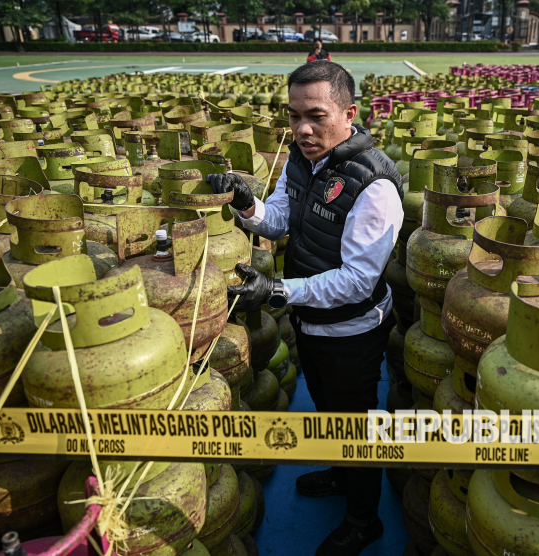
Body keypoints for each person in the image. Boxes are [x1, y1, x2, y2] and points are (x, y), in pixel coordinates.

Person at [208, 60, 403, 556]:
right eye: (294, 116)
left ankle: (364, 521)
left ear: (349, 113)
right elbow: (279, 220)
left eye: (315, 116)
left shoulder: (373, 184)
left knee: (354, 423)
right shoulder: (302, 158)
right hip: (310, 322)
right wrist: (248, 206)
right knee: (327, 406)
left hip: (351, 330)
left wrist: (276, 293)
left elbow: (357, 282)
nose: (302, 129)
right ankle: (342, 473)